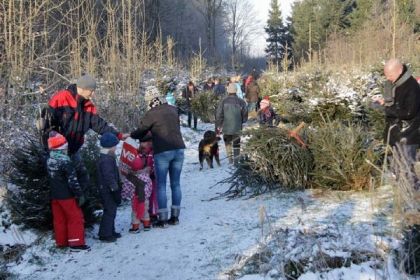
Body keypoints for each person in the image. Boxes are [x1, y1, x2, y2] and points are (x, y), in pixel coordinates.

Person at [47, 74, 128, 190]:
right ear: (83, 88)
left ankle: (83, 204)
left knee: (83, 178)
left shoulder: (88, 106)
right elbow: (47, 123)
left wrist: (118, 135)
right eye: (91, 90)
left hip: (74, 150)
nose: (93, 94)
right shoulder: (61, 98)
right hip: (57, 151)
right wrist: (49, 147)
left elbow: (99, 125)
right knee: (62, 184)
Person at [130, 97, 186, 227]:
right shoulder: (174, 110)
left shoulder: (152, 113)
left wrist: (132, 135)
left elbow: (142, 130)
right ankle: (175, 217)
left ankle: (162, 219)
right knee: (176, 184)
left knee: (161, 185)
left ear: (152, 104)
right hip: (179, 149)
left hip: (162, 151)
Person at [46, 131, 89, 251]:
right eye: (65, 147)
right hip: (67, 196)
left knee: (59, 219)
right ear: (61, 148)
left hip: (55, 197)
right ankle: (76, 243)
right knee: (75, 217)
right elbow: (73, 181)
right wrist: (79, 195)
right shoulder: (66, 162)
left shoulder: (50, 160)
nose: (66, 149)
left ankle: (61, 242)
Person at [372, 59, 420, 161]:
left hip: (407, 136)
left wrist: (386, 109)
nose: (388, 78)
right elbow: (398, 104)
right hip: (396, 134)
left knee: (405, 170)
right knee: (396, 168)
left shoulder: (411, 86)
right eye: (386, 75)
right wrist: (384, 102)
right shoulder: (397, 84)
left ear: (400, 70)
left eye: (390, 74)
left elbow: (408, 112)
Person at [120, 145, 153, 233]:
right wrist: (147, 195)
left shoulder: (129, 178)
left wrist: (124, 195)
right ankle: (147, 226)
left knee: (135, 213)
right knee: (145, 211)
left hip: (135, 199)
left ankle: (135, 228)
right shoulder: (146, 176)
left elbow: (126, 189)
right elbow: (150, 186)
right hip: (145, 198)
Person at [97, 132, 122, 242]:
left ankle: (110, 231)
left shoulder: (107, 157)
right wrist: (114, 187)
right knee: (109, 211)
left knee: (112, 210)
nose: (116, 147)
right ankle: (105, 234)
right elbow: (108, 176)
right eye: (114, 146)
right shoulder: (106, 159)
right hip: (108, 190)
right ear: (110, 146)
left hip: (109, 188)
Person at [216, 83, 248, 166]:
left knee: (227, 142)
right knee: (236, 143)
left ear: (228, 91)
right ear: (236, 91)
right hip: (237, 126)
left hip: (226, 126)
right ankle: (236, 160)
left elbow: (219, 114)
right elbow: (245, 114)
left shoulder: (223, 101)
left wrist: (218, 126)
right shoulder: (241, 102)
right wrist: (242, 121)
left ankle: (230, 159)